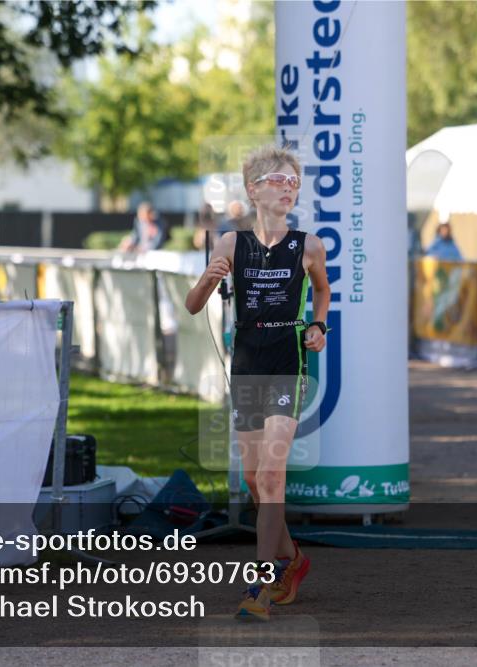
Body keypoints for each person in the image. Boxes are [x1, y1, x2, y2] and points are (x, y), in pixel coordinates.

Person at [185, 145, 330, 622]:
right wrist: (207, 279)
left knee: (271, 476)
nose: (289, 189)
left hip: (287, 360)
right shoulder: (230, 244)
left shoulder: (309, 246)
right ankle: (294, 559)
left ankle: (261, 585)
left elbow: (323, 290)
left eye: (294, 183)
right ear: (253, 190)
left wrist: (318, 326)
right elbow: (193, 305)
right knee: (253, 480)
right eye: (279, 181)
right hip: (247, 362)